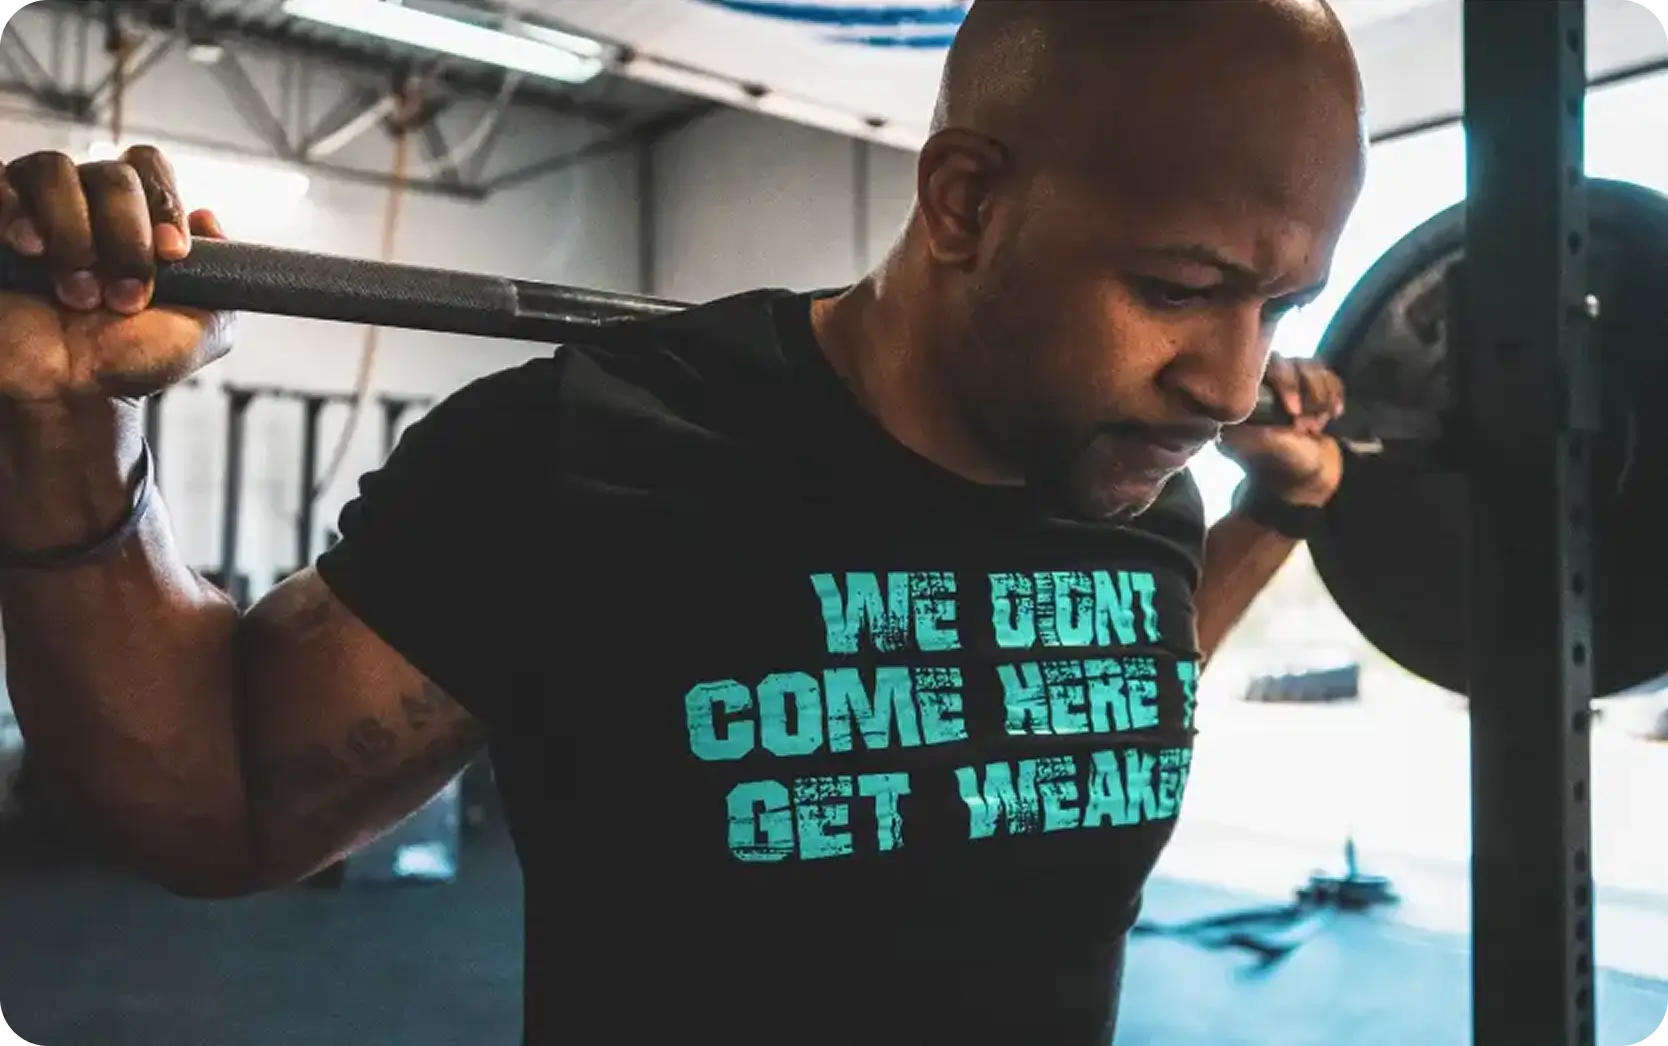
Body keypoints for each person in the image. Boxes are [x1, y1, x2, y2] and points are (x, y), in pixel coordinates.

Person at [0, 0, 1365, 1042]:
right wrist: (68, 425)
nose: (1230, 381)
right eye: (1182, 288)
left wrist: (1277, 513)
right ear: (965, 201)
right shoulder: (585, 454)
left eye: (1281, 306)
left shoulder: (1142, 488)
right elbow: (223, 810)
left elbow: (1073, 692)